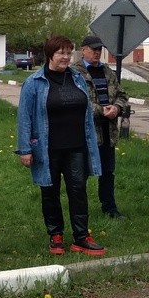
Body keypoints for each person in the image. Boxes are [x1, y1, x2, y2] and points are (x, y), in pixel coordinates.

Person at [15, 34, 105, 257]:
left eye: (69, 52)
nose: (66, 57)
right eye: (61, 53)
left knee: (78, 190)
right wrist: (25, 149)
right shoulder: (34, 83)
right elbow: (24, 118)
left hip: (76, 146)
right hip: (47, 149)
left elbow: (86, 112)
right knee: (50, 192)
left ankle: (81, 237)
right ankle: (55, 235)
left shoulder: (77, 78)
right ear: (49, 55)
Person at [72, 34, 130, 219]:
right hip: (85, 133)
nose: (97, 53)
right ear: (83, 50)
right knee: (82, 174)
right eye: (93, 49)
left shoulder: (107, 72)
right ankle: (80, 211)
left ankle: (110, 208)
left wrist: (117, 108)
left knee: (108, 172)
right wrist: (100, 110)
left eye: (99, 50)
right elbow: (75, 101)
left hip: (108, 132)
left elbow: (122, 95)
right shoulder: (74, 73)